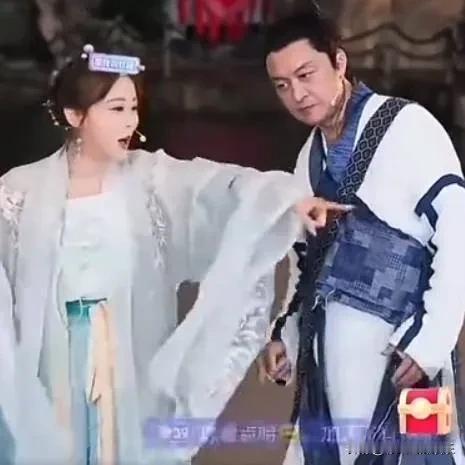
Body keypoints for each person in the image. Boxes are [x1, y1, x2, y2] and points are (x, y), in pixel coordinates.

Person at [0, 43, 346, 465]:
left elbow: (219, 187)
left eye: (133, 108)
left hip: (128, 359)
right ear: (75, 116)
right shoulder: (20, 191)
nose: (130, 121)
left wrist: (288, 202)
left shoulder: (150, 179)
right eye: (116, 109)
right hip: (49, 364)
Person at [258, 10, 465, 465]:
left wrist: (431, 340)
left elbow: (457, 231)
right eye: (282, 85)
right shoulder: (308, 157)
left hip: (403, 349)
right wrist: (285, 336)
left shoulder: (408, 126)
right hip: (327, 355)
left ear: (339, 62)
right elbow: (305, 261)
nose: (297, 94)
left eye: (306, 75)